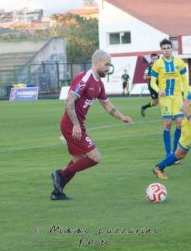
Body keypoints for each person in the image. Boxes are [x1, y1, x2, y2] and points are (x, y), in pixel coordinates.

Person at [51, 50, 132, 200]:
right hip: (71, 124)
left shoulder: (99, 84)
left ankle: (57, 192)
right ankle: (59, 174)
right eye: (107, 64)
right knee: (95, 157)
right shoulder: (84, 78)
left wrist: (122, 117)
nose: (109, 68)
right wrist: (75, 124)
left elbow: (107, 105)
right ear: (97, 62)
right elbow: (69, 101)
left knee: (77, 161)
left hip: (77, 124)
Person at [150, 39, 189, 158]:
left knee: (179, 123)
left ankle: (175, 152)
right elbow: (152, 82)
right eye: (164, 49)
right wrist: (158, 90)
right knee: (167, 124)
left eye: (168, 48)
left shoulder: (179, 62)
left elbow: (184, 80)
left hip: (177, 97)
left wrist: (186, 97)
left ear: (172, 48)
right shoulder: (157, 64)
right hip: (165, 98)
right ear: (161, 50)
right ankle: (168, 154)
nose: (166, 51)